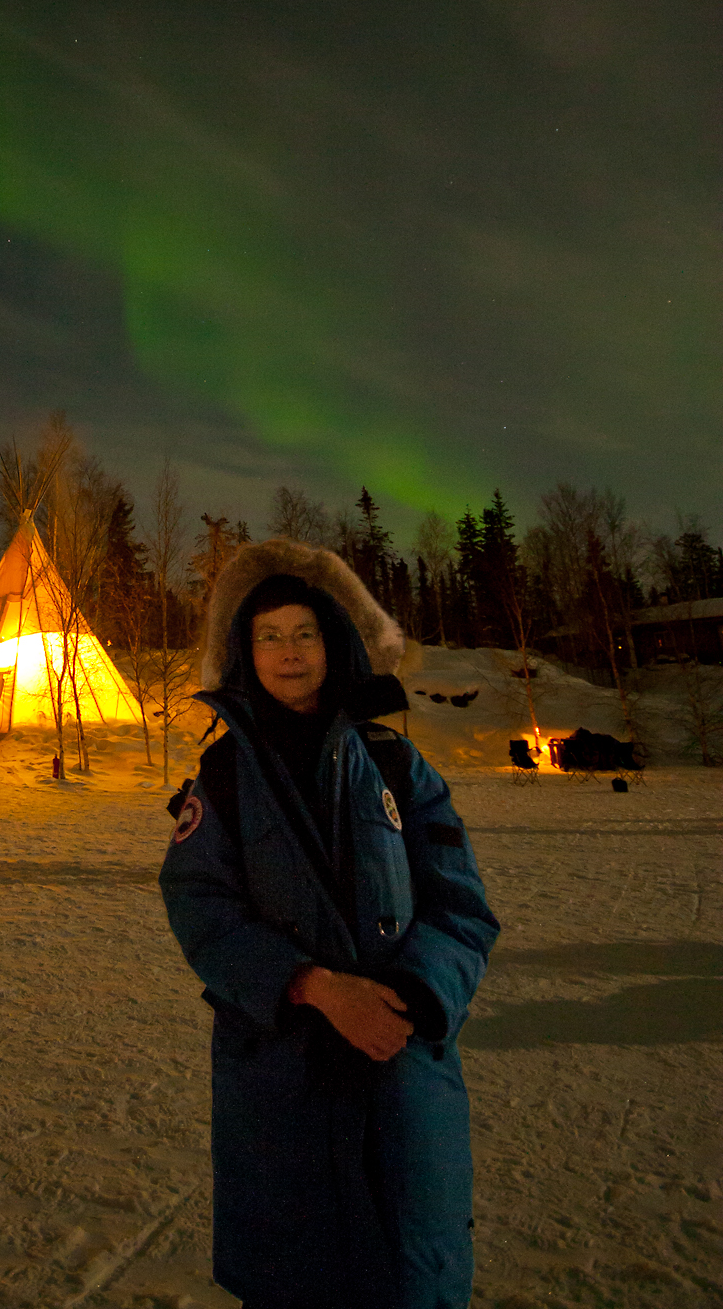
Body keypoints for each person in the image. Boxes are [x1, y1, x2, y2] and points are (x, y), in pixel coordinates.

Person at [159, 541, 499, 1309]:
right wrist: (310, 986)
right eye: (269, 636)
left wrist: (407, 998)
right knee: (298, 1272)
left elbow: (462, 907)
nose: (289, 652)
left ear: (334, 641)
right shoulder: (221, 780)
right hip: (285, 1075)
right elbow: (199, 905)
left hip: (401, 1061)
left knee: (411, 1268)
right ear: (245, 653)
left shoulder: (399, 767)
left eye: (305, 633)